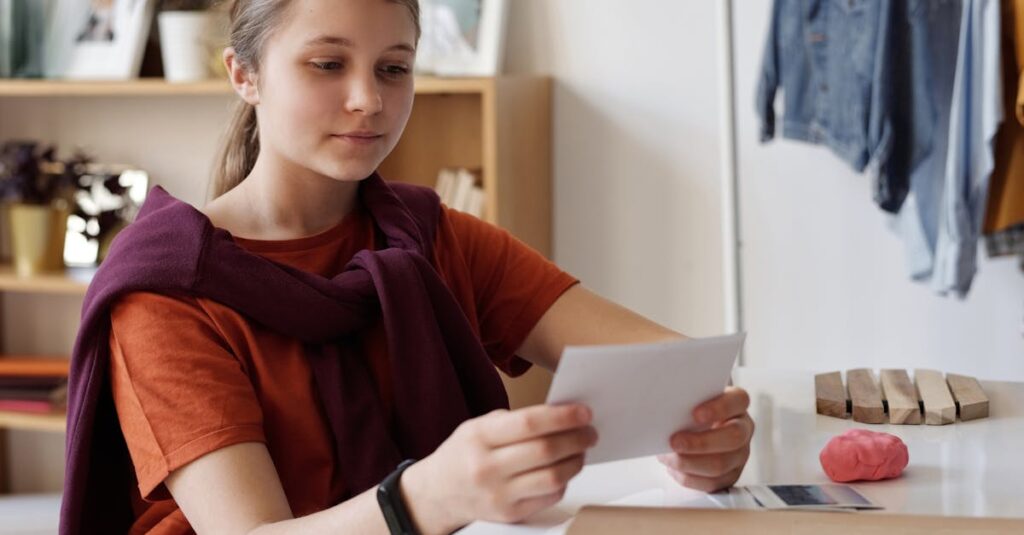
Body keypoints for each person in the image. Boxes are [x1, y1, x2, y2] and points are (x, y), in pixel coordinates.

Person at [81, 0, 754, 533]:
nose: (368, 99)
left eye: (393, 68)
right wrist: (428, 494)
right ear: (243, 74)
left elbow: (679, 369)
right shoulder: (167, 292)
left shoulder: (431, 236)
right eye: (327, 64)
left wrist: (706, 436)